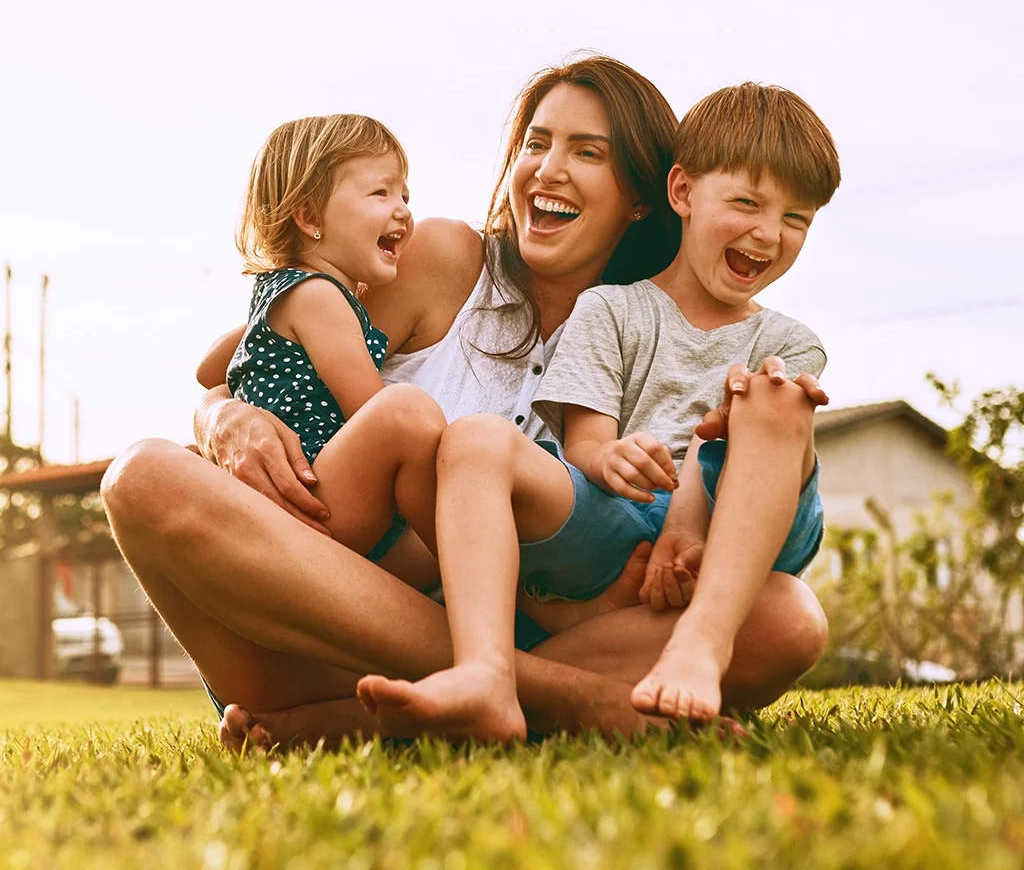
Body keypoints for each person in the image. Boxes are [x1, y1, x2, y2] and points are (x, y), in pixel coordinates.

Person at [101, 56, 829, 748]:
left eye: (587, 152)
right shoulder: (442, 260)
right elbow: (264, 346)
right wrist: (225, 417)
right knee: (141, 477)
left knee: (786, 618)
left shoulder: (660, 334)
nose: (547, 168)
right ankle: (555, 697)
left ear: (643, 197)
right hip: (315, 628)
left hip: (543, 635)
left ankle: (390, 712)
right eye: (536, 143)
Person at [356, 83, 839, 742]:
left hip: (741, 529)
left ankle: (700, 644)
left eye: (796, 220)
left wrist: (692, 523)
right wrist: (607, 456)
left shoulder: (788, 341)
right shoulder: (611, 309)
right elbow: (584, 442)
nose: (767, 233)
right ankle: (485, 675)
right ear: (682, 194)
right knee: (475, 440)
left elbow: (740, 451)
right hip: (623, 520)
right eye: (747, 203)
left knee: (771, 399)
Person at [224, 113, 442, 564]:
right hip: (316, 498)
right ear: (308, 216)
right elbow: (372, 410)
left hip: (306, 500)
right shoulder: (319, 296)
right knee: (407, 412)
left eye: (405, 194)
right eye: (381, 192)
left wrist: (233, 402)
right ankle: (468, 554)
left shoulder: (280, 290)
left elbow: (213, 368)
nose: (402, 209)